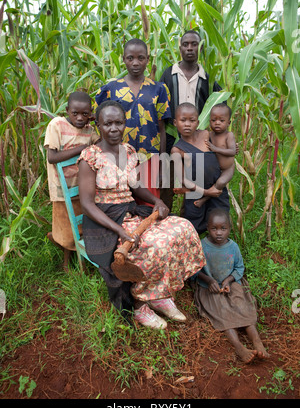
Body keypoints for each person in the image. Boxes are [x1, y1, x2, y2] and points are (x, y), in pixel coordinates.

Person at [77, 100, 206, 329]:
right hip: (106, 219)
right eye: (108, 124)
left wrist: (156, 201)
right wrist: (119, 230)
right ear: (98, 125)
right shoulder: (90, 157)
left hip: (132, 211)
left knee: (183, 229)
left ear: (125, 124)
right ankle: (139, 305)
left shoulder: (128, 150)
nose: (114, 128)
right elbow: (87, 204)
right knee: (155, 245)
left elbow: (134, 186)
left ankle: (159, 293)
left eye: (119, 122)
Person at [95, 38, 171, 204]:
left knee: (149, 205)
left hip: (149, 157)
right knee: (120, 203)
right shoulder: (111, 89)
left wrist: (162, 163)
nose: (135, 63)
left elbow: (162, 128)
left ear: (147, 60)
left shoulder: (159, 89)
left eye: (140, 58)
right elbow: (98, 123)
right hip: (118, 157)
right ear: (123, 59)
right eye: (130, 58)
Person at [191, 208, 270, 363]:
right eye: (214, 229)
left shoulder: (233, 247)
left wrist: (228, 280)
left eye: (223, 228)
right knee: (221, 310)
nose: (219, 233)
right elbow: (193, 269)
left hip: (231, 282)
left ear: (230, 228)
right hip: (209, 287)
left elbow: (239, 268)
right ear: (207, 228)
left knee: (242, 305)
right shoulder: (201, 246)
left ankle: (256, 341)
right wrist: (209, 280)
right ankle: (239, 346)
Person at [159, 30, 223, 210]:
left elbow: (218, 105)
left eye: (194, 44)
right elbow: (160, 103)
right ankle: (166, 214)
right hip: (173, 136)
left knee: (197, 177)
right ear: (180, 48)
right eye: (185, 44)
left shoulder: (207, 78)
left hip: (198, 139)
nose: (189, 48)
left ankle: (195, 219)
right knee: (168, 177)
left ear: (200, 48)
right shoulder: (168, 74)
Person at [44, 91, 99, 270]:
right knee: (66, 230)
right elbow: (52, 157)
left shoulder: (90, 130)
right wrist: (83, 148)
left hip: (82, 187)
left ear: (90, 113)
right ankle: (66, 261)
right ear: (67, 110)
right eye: (75, 113)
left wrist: (97, 122)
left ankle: (75, 254)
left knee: (80, 224)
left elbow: (100, 146)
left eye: (85, 114)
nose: (80, 118)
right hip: (62, 188)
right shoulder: (57, 125)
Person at [171, 102, 230, 235]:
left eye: (192, 121)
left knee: (219, 226)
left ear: (197, 122)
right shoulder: (176, 150)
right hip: (195, 195)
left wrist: (232, 149)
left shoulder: (206, 135)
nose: (187, 124)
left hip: (217, 191)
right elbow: (183, 180)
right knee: (194, 229)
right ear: (175, 122)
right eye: (183, 120)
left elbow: (222, 149)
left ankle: (216, 253)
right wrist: (206, 192)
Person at [193, 102, 238, 208]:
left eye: (221, 121)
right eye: (214, 120)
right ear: (209, 122)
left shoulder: (228, 135)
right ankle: (208, 195)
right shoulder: (209, 134)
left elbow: (232, 151)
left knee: (220, 182)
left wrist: (215, 149)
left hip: (227, 169)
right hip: (215, 169)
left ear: (228, 122)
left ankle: (205, 198)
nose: (217, 123)